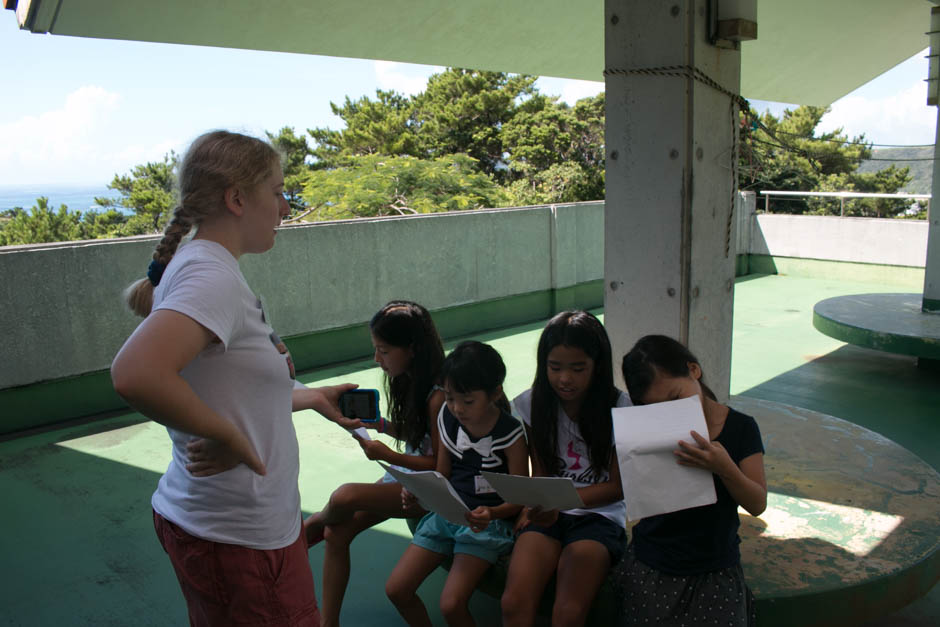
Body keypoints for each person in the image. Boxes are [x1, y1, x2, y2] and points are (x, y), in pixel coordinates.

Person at [111, 130, 359, 626]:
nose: (286, 207)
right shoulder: (212, 277)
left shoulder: (201, 266)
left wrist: (309, 397)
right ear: (238, 198)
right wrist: (228, 435)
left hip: (224, 527)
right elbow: (135, 373)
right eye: (278, 191)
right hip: (239, 538)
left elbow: (226, 385)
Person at [303, 300, 446, 627]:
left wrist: (387, 455)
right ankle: (329, 623)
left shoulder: (439, 395)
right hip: (406, 475)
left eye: (383, 351)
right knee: (336, 535)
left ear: (410, 348)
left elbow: (439, 463)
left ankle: (310, 526)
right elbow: (416, 432)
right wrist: (378, 425)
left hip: (428, 489)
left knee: (343, 498)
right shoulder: (409, 378)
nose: (376, 359)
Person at [615, 334, 766, 627]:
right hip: (652, 564)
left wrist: (725, 468)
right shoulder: (646, 431)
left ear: (693, 370)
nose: (672, 414)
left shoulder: (741, 428)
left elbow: (758, 503)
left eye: (676, 398)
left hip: (714, 569)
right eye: (656, 408)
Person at [502, 310, 631, 627]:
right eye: (555, 367)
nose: (564, 378)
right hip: (550, 513)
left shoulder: (621, 408)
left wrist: (558, 502)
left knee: (568, 613)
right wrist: (535, 507)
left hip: (600, 517)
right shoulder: (532, 404)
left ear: (597, 366)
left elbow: (617, 488)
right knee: (513, 603)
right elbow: (542, 473)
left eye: (577, 368)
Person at [385, 341, 528, 627]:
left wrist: (493, 514)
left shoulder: (511, 434)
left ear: (494, 393)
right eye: (450, 397)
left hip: (486, 526)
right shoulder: (446, 418)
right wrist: (418, 493)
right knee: (397, 589)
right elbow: (442, 475)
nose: (457, 408)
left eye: (467, 400)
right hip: (446, 516)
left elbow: (520, 497)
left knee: (451, 605)